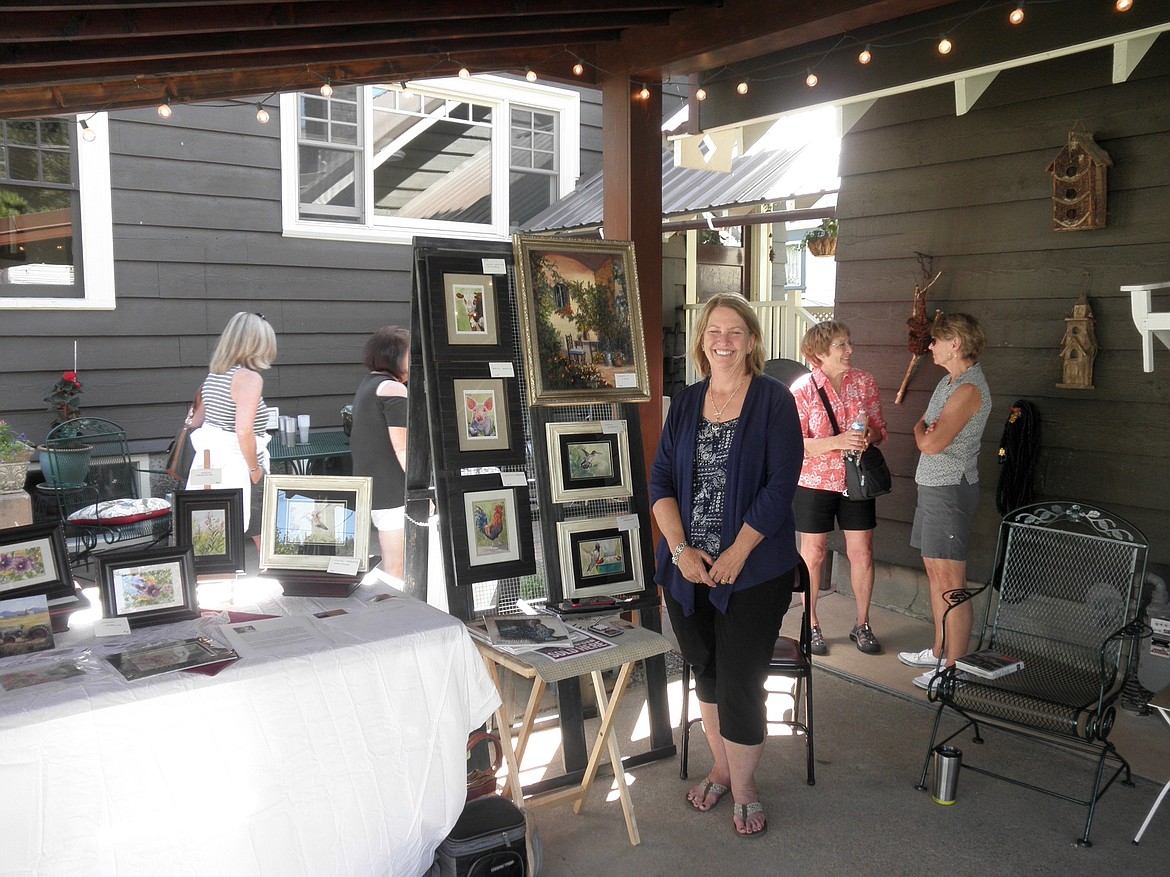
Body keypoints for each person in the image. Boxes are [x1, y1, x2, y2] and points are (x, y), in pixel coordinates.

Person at [651, 292, 803, 839]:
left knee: (741, 680)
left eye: (734, 331)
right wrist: (679, 550)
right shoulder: (686, 402)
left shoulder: (774, 401)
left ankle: (744, 787)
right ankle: (721, 766)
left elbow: (781, 484)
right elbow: (661, 481)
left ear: (753, 341)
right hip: (688, 572)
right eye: (713, 330)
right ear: (701, 341)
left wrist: (738, 552)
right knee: (707, 671)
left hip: (754, 571)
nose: (723, 340)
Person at [897, 313, 991, 689]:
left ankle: (955, 668)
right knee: (935, 574)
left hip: (951, 488)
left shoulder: (968, 389)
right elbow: (922, 423)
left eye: (936, 341)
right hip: (932, 486)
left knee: (952, 581)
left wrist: (925, 433)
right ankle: (939, 652)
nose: (930, 346)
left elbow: (930, 441)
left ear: (956, 343)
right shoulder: (948, 382)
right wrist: (926, 430)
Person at [789, 321, 888, 656]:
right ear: (818, 352)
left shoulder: (864, 382)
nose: (850, 350)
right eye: (841, 345)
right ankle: (811, 623)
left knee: (862, 552)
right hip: (813, 482)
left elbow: (880, 429)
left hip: (855, 479)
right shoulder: (801, 389)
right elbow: (794, 443)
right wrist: (838, 441)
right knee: (813, 554)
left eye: (849, 343)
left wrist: (868, 436)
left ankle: (862, 623)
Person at [186, 311, 276, 552]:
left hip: (209, 464)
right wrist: (255, 469)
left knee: (213, 535)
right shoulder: (249, 378)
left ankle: (220, 584)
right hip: (241, 463)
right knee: (264, 536)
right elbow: (244, 430)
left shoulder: (214, 375)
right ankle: (275, 585)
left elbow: (195, 422)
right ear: (257, 344)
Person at [350, 326, 410, 580]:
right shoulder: (393, 389)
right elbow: (402, 446)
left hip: (370, 488)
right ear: (395, 356)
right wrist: (419, 487)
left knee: (389, 565)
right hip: (392, 491)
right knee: (397, 567)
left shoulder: (368, 384)